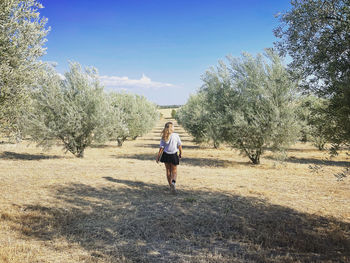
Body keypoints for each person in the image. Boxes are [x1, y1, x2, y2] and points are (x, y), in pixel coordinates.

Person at [156, 121, 182, 193]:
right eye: (173, 126)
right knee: (174, 171)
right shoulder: (176, 135)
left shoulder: (164, 136)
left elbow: (161, 148)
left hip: (166, 155)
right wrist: (180, 153)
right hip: (173, 155)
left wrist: (158, 157)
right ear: (171, 128)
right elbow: (179, 145)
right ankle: (173, 183)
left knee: (168, 171)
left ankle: (170, 185)